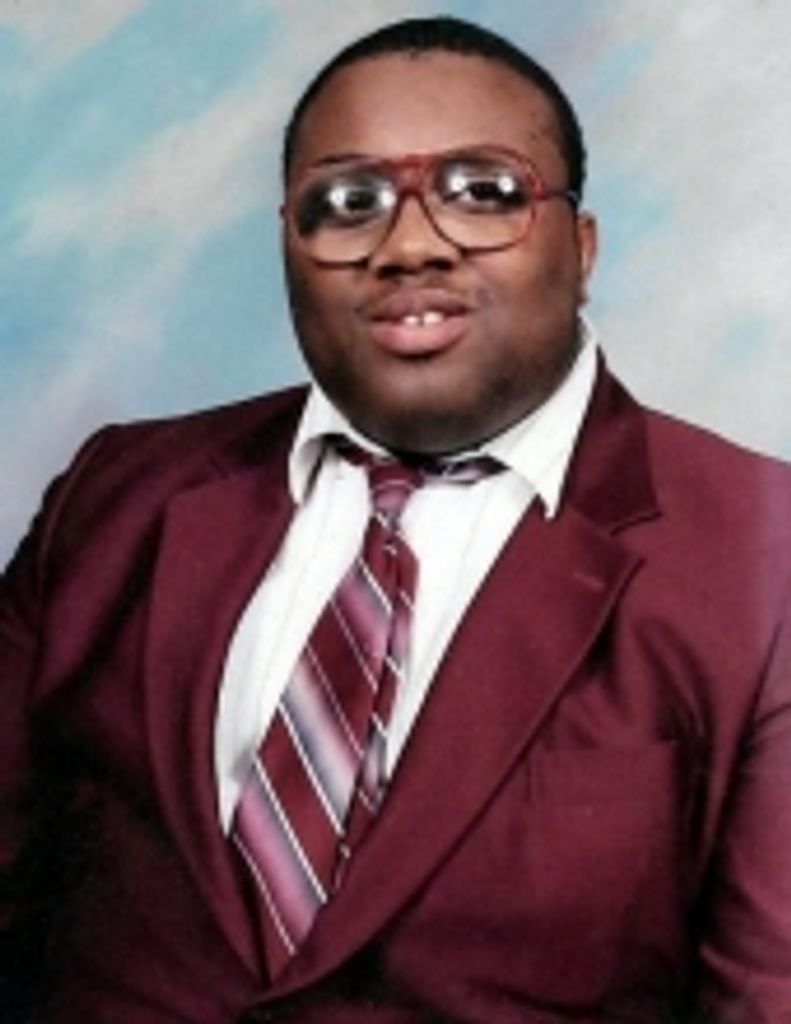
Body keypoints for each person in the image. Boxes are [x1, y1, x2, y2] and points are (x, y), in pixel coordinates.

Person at [1, 14, 790, 1023]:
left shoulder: (759, 553)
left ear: (582, 247)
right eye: (347, 202)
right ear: (288, 245)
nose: (409, 244)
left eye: (482, 193)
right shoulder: (118, 495)